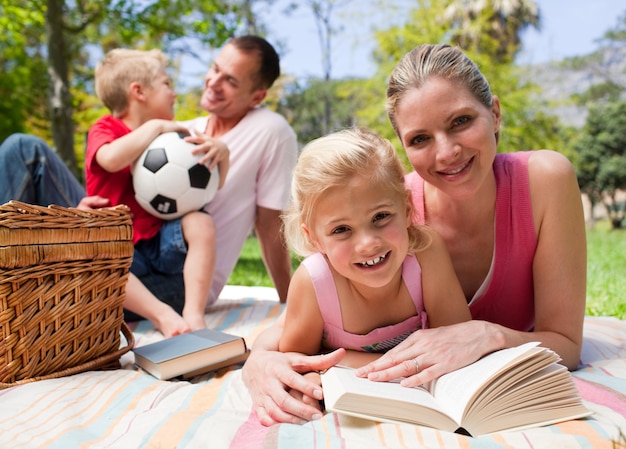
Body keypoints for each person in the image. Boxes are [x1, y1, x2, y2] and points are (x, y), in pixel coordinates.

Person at [242, 43, 587, 426]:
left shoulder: (544, 180)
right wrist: (258, 361)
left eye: (461, 121)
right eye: (420, 139)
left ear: (495, 112)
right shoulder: (384, 211)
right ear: (405, 148)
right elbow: (311, 309)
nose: (446, 152)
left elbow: (567, 345)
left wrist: (486, 335)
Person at [0, 35, 297, 337]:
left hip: (172, 269)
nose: (212, 81)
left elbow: (269, 221)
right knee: (23, 149)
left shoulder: (268, 130)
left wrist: (290, 300)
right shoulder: (174, 131)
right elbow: (111, 162)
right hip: (117, 242)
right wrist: (73, 220)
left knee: (188, 225)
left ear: (257, 96)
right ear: (139, 93)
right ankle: (14, 276)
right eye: (214, 68)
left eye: (230, 80)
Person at [277, 127, 471, 403]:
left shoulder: (426, 253)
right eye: (342, 229)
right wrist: (312, 377)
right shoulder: (315, 281)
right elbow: (296, 360)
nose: (368, 244)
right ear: (315, 238)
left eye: (380, 216)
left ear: (406, 209)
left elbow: (458, 338)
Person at [85, 48, 230, 335]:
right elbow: (111, 159)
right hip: (119, 255)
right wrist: (155, 126)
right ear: (138, 91)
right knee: (96, 253)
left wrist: (222, 155)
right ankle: (162, 315)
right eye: (167, 84)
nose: (174, 94)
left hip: (161, 248)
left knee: (200, 221)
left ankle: (194, 312)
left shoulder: (171, 141)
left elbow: (212, 186)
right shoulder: (106, 128)